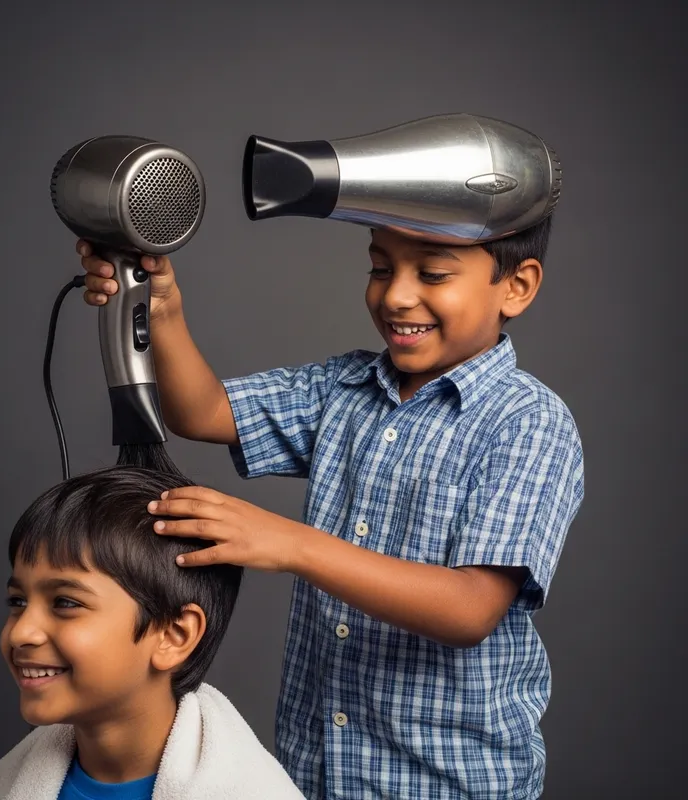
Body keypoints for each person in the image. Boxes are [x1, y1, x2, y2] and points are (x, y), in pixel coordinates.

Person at [76, 213, 584, 799]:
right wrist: (161, 308)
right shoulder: (343, 389)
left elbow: (470, 609)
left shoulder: (528, 423)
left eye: (434, 274)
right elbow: (206, 411)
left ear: (516, 286)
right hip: (315, 773)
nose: (395, 295)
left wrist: (291, 544)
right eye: (380, 267)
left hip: (448, 783)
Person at [0, 465, 304, 800]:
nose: (21, 633)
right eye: (17, 601)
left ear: (174, 635)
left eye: (65, 602)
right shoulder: (6, 786)